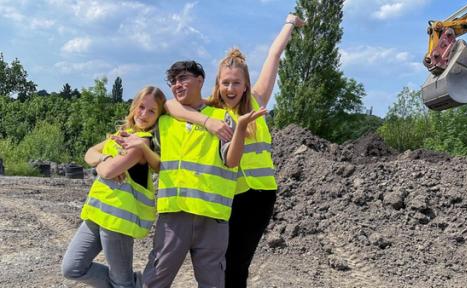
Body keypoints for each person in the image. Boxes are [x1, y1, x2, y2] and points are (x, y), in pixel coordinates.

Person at [165, 14, 304, 287]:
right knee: (221, 263)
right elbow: (171, 106)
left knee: (239, 263)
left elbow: (274, 56)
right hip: (227, 197)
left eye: (236, 83)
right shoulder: (211, 109)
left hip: (261, 196)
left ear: (245, 85)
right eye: (225, 82)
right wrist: (206, 121)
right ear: (218, 84)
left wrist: (289, 23)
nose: (230, 88)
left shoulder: (257, 101)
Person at [137, 61, 266, 287]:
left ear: (200, 81)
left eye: (183, 78)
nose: (177, 85)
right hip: (174, 215)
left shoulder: (222, 117)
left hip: (212, 218)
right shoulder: (164, 121)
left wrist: (241, 128)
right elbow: (138, 135)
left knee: (213, 283)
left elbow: (232, 161)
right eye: (173, 81)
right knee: (154, 280)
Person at [61, 86, 166, 288]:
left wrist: (100, 165)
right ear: (134, 106)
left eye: (152, 111)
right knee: (72, 267)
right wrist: (104, 157)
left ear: (158, 116)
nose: (144, 114)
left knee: (122, 283)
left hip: (118, 222)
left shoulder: (142, 143)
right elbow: (89, 153)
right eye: (141, 107)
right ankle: (133, 284)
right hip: (97, 213)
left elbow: (108, 172)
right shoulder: (123, 133)